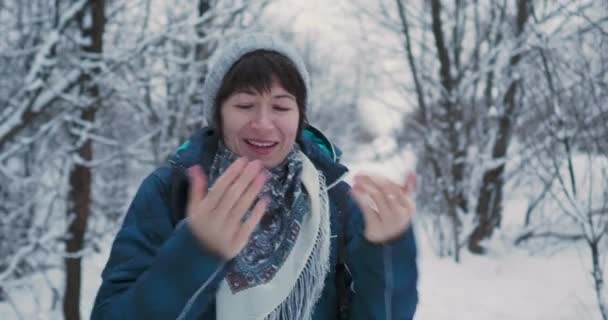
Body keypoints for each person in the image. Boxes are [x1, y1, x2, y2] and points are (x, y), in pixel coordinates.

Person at [91, 33, 418, 320]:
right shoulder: (170, 192)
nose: (263, 123)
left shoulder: (337, 202)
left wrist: (387, 252)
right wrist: (195, 252)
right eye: (245, 104)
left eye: (281, 107)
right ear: (217, 114)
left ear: (300, 116)